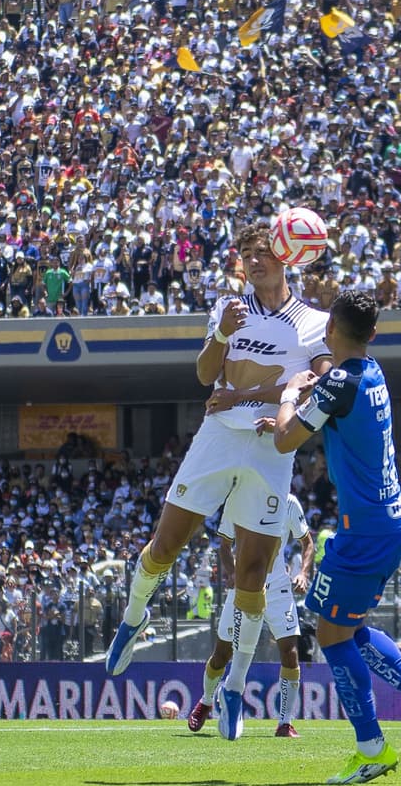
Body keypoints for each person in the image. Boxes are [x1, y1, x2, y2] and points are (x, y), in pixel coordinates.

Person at [105, 223, 332, 746]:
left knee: (251, 576)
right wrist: (222, 334)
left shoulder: (314, 321)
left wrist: (266, 396)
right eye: (246, 254)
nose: (253, 262)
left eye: (262, 253)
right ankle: (134, 618)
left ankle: (232, 689)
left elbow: (321, 379)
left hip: (272, 449)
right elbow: (207, 375)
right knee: (164, 546)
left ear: (286, 256)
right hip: (217, 439)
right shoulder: (229, 307)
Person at [264, 290, 401, 784]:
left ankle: (372, 746)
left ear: (330, 331)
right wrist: (303, 407)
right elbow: (335, 416)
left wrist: (289, 396)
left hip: (363, 528)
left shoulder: (336, 382)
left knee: (330, 635)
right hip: (391, 521)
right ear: (373, 334)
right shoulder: (371, 372)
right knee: (347, 626)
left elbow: (288, 438)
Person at [187, 493, 313, 738]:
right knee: (222, 654)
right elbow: (224, 544)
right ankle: (207, 700)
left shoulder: (289, 502)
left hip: (278, 587)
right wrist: (232, 573)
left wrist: (303, 573)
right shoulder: (238, 499)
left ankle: (285, 723)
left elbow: (307, 542)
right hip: (243, 586)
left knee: (290, 650)